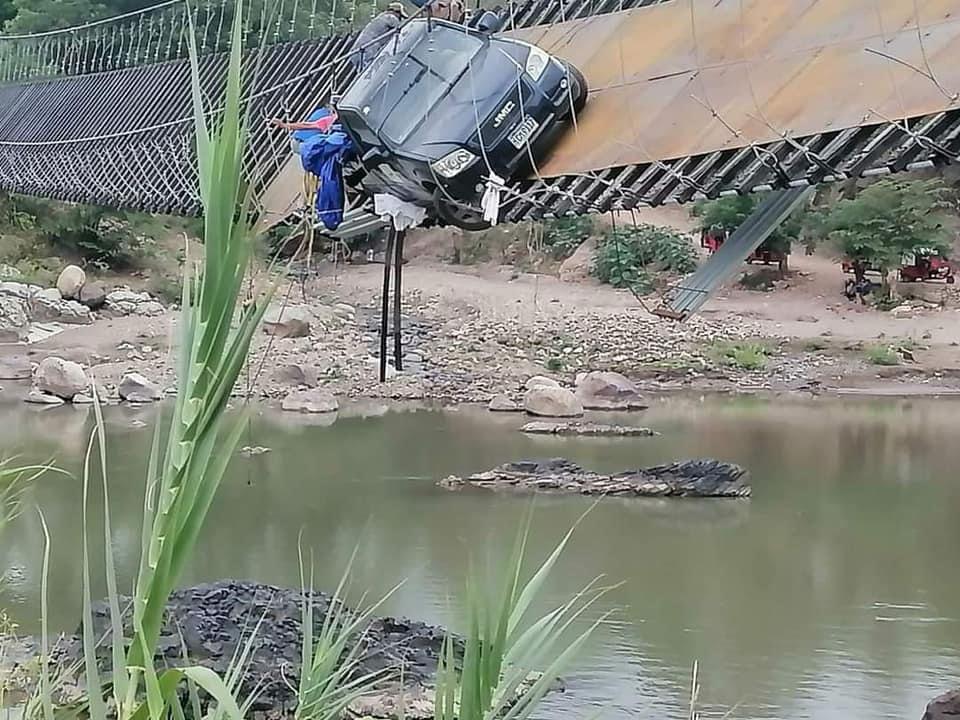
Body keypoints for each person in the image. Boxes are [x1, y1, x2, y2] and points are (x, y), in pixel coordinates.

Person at [349, 2, 409, 72]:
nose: (400, 18)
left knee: (361, 73)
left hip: (356, 50)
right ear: (396, 12)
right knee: (367, 72)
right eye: (400, 16)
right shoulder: (391, 18)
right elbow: (401, 30)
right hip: (368, 50)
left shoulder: (380, 17)